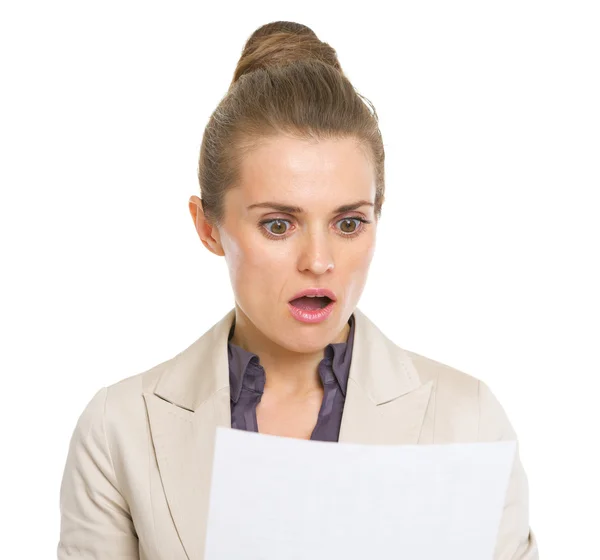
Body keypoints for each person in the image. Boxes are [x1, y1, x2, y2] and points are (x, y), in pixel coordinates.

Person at [57, 20, 538, 560]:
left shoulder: (468, 421)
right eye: (278, 224)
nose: (319, 262)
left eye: (349, 223)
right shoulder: (119, 428)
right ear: (208, 226)